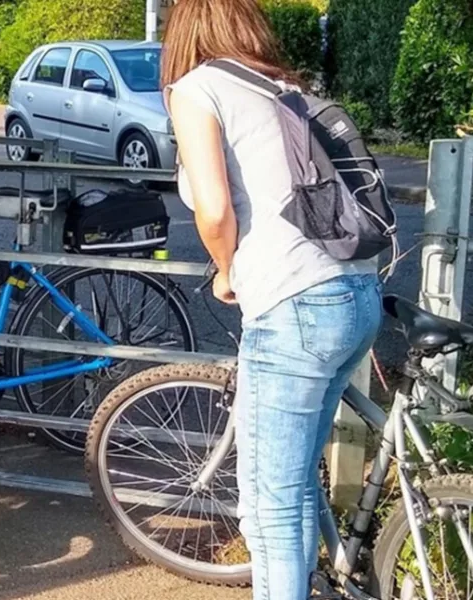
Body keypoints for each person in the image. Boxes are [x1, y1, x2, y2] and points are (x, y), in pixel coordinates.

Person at [160, 1, 382, 598]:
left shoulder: (196, 88)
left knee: (270, 507)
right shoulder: (282, 86)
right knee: (297, 485)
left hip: (294, 305)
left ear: (182, 33)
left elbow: (213, 211)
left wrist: (226, 271)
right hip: (356, 291)